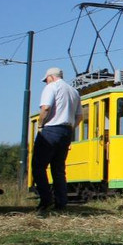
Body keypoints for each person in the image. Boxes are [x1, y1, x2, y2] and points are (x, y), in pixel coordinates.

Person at [32, 67, 82, 214]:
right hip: (67, 132)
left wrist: (40, 125)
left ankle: (46, 200)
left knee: (38, 166)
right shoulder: (74, 91)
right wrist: (70, 130)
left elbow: (46, 108)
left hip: (51, 130)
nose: (45, 82)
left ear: (51, 77)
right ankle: (61, 203)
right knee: (59, 169)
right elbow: (79, 117)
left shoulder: (51, 87)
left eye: (46, 80)